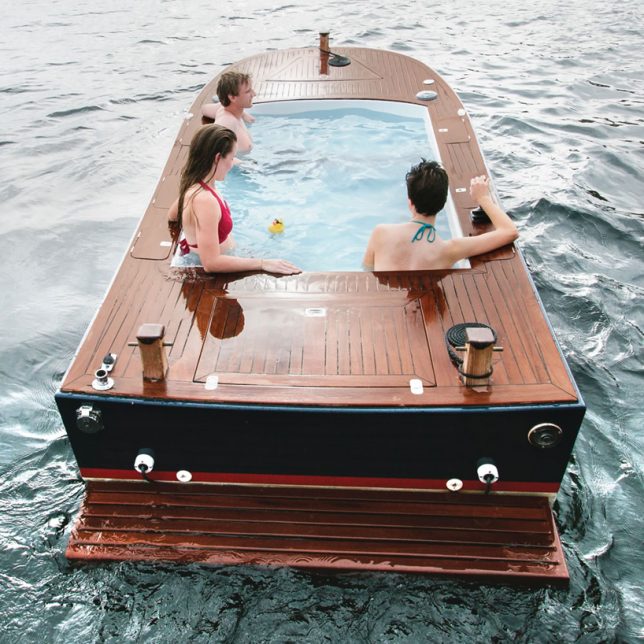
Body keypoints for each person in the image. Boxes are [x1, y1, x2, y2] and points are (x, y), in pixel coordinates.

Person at [168, 124, 300, 275]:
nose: (232, 164)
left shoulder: (197, 185)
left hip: (228, 255)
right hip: (216, 271)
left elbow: (172, 216)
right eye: (231, 158)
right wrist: (262, 263)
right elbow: (211, 263)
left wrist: (192, 228)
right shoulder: (204, 200)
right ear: (217, 158)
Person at [362, 159, 518, 271]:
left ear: (410, 202)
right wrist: (483, 198)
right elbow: (509, 231)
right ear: (443, 204)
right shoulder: (448, 250)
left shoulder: (380, 233)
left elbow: (367, 272)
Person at [201, 71, 256, 154]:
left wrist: (243, 114)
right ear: (232, 97)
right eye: (248, 91)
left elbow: (204, 109)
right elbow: (210, 153)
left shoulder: (222, 108)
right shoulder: (227, 122)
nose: (254, 94)